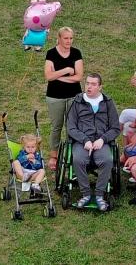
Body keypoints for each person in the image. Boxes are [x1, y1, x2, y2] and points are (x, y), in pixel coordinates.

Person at [66, 73, 119, 211]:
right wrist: (84, 140)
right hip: (82, 141)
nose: (89, 86)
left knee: (107, 160)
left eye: (93, 84)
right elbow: (71, 127)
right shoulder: (77, 102)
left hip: (101, 141)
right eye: (87, 83)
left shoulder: (108, 102)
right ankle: (85, 194)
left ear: (100, 87)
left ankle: (100, 194)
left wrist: (103, 139)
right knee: (78, 159)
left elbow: (115, 128)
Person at [44, 27, 84, 170]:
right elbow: (48, 76)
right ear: (59, 38)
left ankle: (70, 153)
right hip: (55, 97)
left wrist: (58, 76)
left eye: (71, 38)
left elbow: (79, 77)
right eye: (66, 38)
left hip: (74, 96)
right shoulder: (51, 53)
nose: (69, 41)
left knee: (72, 126)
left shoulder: (76, 53)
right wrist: (66, 71)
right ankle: (54, 156)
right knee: (56, 126)